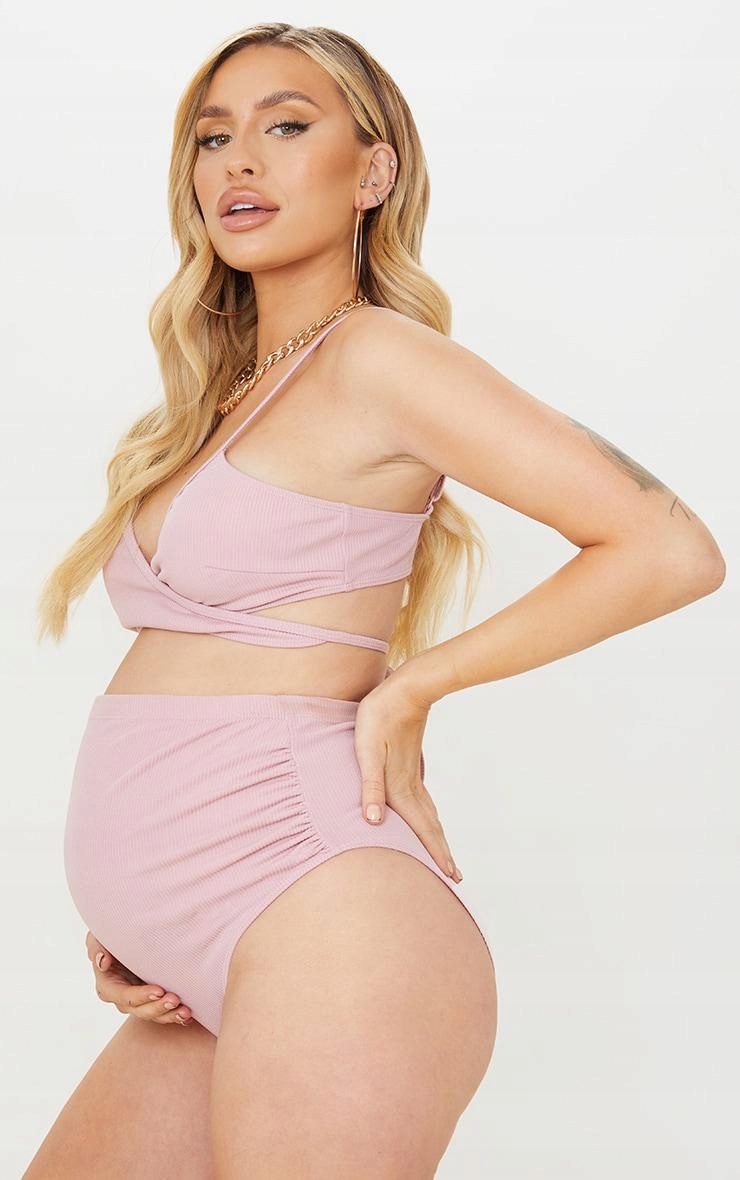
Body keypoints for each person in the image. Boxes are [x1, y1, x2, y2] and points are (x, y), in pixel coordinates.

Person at [26, 22, 725, 1180]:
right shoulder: (221, 396)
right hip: (199, 956)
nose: (239, 161)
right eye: (213, 137)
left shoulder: (378, 359)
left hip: (326, 922)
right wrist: (142, 908)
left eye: (286, 125)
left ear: (372, 171)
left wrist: (411, 687)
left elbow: (667, 546)